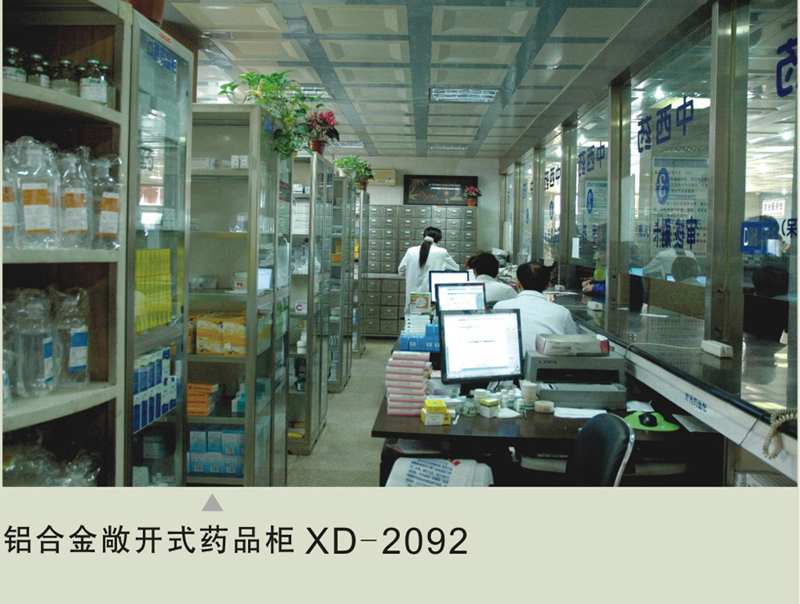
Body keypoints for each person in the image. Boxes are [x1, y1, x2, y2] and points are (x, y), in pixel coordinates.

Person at [494, 262, 579, 355]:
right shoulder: (562, 312)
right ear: (547, 285)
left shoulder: (500, 307)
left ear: (518, 283)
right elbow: (575, 345)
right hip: (548, 364)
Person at [398, 226, 458, 314]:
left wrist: (411, 272)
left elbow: (401, 270)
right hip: (432, 298)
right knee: (431, 320)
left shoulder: (411, 251)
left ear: (423, 237)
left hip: (413, 297)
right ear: (439, 240)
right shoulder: (441, 252)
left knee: (412, 320)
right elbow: (456, 269)